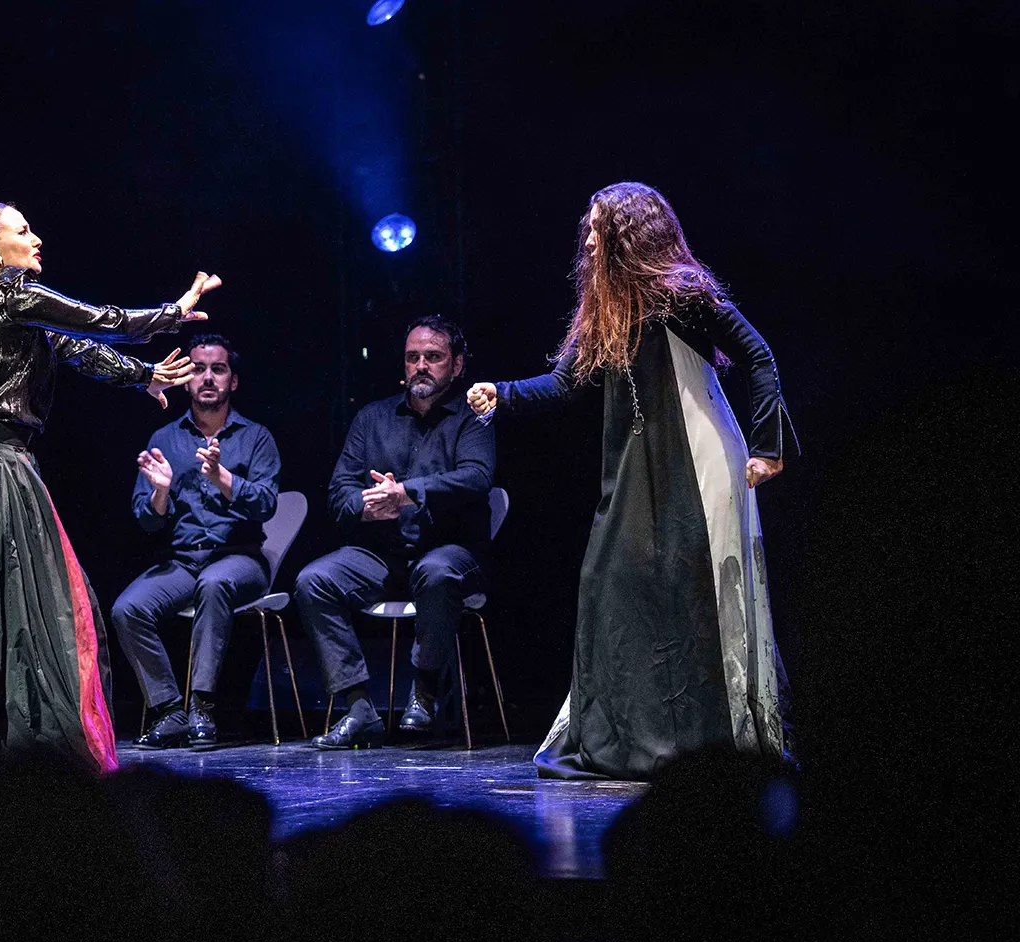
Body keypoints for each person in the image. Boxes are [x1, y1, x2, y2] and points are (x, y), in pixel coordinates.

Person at [466, 181, 798, 780]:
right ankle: (623, 738)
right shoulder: (605, 308)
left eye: (597, 228)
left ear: (628, 235)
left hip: (700, 463)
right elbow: (564, 384)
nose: (588, 239)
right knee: (607, 583)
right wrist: (502, 395)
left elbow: (759, 356)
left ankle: (710, 747)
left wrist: (769, 449)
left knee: (693, 597)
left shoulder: (682, 294)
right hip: (636, 469)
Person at [0, 201, 220, 775]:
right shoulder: (7, 293)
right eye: (22, 231)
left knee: (13, 599)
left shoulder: (10, 305)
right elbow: (96, 320)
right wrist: (173, 310)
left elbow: (75, 346)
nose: (36, 238)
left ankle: (5, 739)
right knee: (10, 599)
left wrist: (144, 375)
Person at [296, 315, 495, 750]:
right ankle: (357, 709)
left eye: (433, 357)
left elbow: (477, 478)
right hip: (382, 554)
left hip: (450, 548)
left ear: (457, 366)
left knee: (438, 572)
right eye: (412, 357)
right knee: (314, 580)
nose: (421, 365)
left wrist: (405, 492)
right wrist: (367, 507)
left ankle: (425, 692)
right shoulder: (372, 418)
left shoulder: (471, 418)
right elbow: (339, 493)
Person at [111, 334, 282, 748]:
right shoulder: (164, 440)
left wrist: (223, 478)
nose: (208, 377)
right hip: (183, 561)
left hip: (240, 558)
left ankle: (202, 705)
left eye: (218, 369)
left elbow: (267, 504)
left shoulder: (256, 437)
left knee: (215, 583)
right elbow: (146, 522)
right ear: (186, 381)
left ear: (233, 382)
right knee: (127, 609)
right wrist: (161, 492)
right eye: (198, 369)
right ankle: (170, 710)